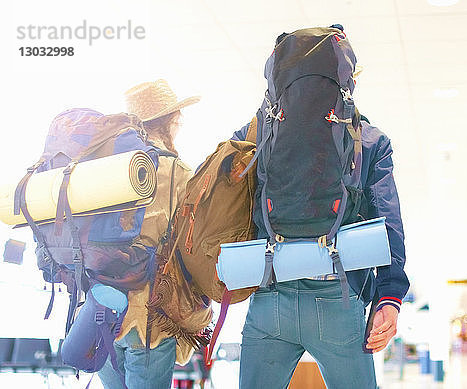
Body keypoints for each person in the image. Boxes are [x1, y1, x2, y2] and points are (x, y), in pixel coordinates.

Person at [231, 26, 410, 389]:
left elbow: (223, 210)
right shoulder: (371, 141)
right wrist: (389, 296)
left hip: (269, 293)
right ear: (349, 81)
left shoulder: (252, 137)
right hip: (338, 295)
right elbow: (387, 221)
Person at [97, 79, 199, 389]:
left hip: (100, 315)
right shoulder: (178, 171)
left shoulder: (105, 169)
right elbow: (191, 243)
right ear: (171, 120)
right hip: (150, 318)